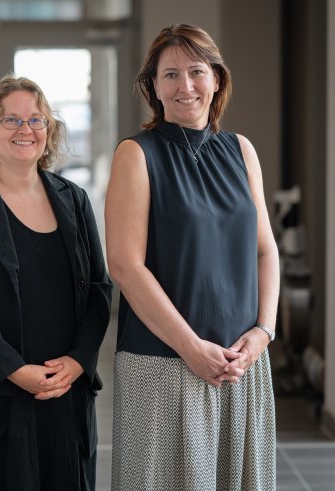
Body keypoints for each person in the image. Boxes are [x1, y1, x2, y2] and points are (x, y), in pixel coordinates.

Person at [105, 24, 280, 490]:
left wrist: (263, 332)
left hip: (240, 363)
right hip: (162, 363)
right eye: (170, 75)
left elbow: (266, 249)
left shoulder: (242, 151)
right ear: (154, 87)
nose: (185, 86)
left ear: (217, 80)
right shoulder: (136, 154)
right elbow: (124, 263)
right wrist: (190, 348)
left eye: (197, 72)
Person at [0, 75, 112, 490]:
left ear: (49, 130)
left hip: (61, 388)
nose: (25, 130)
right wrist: (12, 369)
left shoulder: (74, 199)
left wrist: (79, 360)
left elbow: (99, 288)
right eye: (10, 120)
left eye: (36, 120)